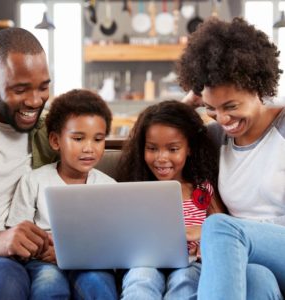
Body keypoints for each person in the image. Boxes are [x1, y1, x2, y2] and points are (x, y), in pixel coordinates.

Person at [179, 17, 285, 299]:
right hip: (247, 258)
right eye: (211, 108)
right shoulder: (217, 138)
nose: (223, 119)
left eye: (231, 106)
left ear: (258, 88)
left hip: (261, 243)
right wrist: (189, 103)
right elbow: (163, 135)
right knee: (258, 280)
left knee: (218, 227)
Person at [6, 88, 118, 300]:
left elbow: (114, 240)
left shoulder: (109, 186)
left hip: (91, 261)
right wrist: (45, 250)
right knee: (49, 285)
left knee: (98, 284)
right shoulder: (34, 180)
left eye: (98, 139)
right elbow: (18, 233)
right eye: (78, 139)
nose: (89, 148)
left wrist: (71, 253)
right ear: (56, 141)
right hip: (43, 260)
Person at [116, 100, 225, 299]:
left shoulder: (202, 188)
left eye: (173, 149)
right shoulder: (133, 190)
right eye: (152, 148)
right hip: (146, 262)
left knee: (185, 279)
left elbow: (223, 226)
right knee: (141, 278)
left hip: (190, 262)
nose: (161, 158)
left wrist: (203, 234)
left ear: (189, 149)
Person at [0, 27, 57, 299]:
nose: (35, 100)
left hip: (27, 257)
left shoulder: (47, 130)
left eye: (43, 86)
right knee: (3, 281)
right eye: (20, 89)